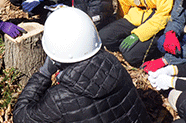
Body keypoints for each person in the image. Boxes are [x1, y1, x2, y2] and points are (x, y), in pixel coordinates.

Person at [13, 7, 151, 123]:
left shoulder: (59, 99)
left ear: (54, 56)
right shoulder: (114, 63)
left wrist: (43, 74)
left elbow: (21, 116)